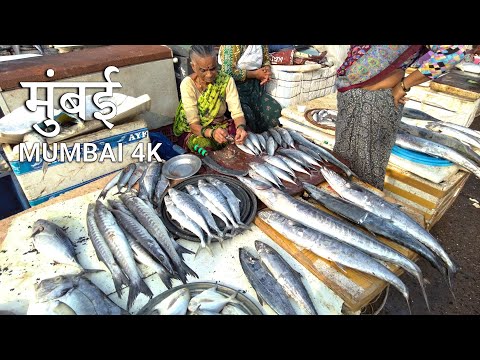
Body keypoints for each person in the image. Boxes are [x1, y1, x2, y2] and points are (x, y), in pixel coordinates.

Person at [334, 45, 466, 190]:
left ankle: (361, 208)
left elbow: (453, 53)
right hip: (351, 95)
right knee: (344, 165)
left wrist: (403, 85)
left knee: (364, 173)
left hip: (372, 102)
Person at [173, 45, 248, 152]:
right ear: (193, 66)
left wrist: (241, 128)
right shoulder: (188, 85)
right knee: (205, 146)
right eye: (203, 70)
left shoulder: (226, 81)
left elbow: (237, 113)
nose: (209, 75)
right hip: (195, 130)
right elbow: (194, 125)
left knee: (240, 136)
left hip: (219, 125)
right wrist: (212, 133)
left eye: (213, 68)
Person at [218, 45, 282, 133]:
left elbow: (266, 60)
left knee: (275, 110)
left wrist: (267, 71)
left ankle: (268, 139)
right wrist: (255, 74)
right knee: (248, 118)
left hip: (255, 89)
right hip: (236, 90)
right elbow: (227, 72)